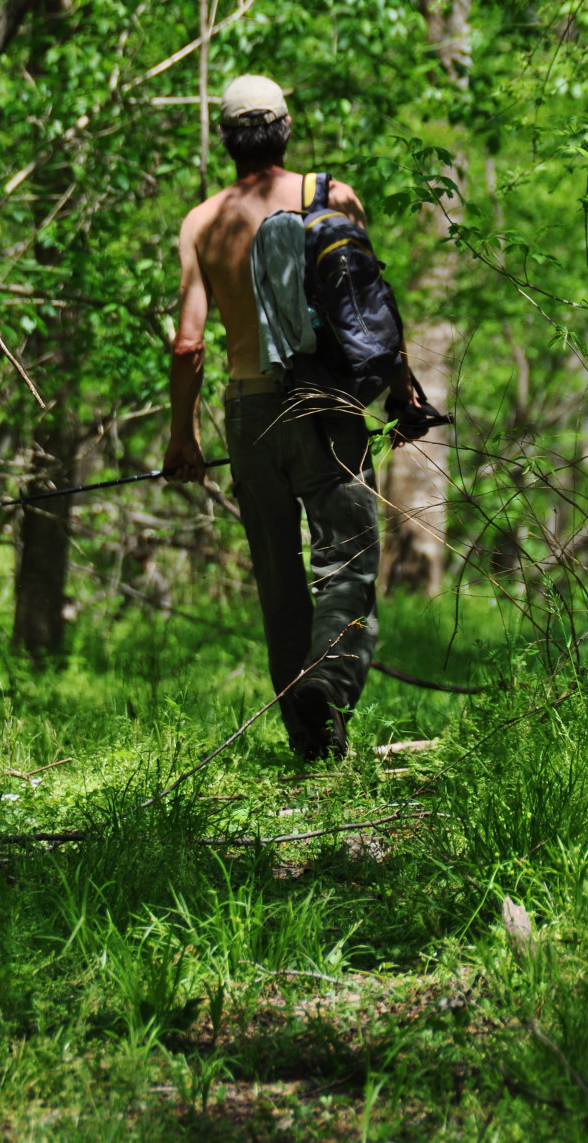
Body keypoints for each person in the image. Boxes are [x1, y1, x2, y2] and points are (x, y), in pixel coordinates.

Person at [162, 74, 420, 760]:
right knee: (349, 563)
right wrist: (404, 389)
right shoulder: (332, 198)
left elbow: (188, 344)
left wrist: (181, 435)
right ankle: (329, 685)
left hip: (249, 411)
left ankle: (311, 740)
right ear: (286, 129)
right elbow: (367, 309)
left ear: (226, 140)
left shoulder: (202, 222)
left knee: (279, 579)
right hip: (326, 406)